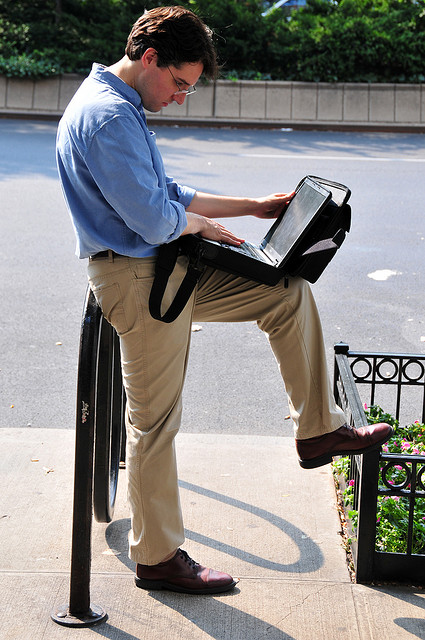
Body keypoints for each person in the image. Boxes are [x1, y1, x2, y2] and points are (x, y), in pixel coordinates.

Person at [56, 5, 392, 596]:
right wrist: (199, 227)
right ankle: (157, 557)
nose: (182, 98)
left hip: (157, 269)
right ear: (150, 57)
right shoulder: (108, 116)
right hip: (138, 277)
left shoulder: (118, 105)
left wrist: (252, 206)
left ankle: (317, 430)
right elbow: (156, 217)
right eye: (180, 83)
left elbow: (169, 194)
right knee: (155, 422)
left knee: (285, 290)